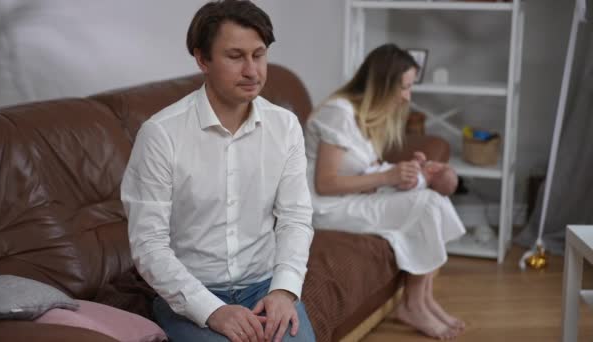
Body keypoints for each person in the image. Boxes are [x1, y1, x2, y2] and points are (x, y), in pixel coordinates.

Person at [121, 1, 315, 341]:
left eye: (259, 54)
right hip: (191, 293)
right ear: (202, 59)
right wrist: (211, 310)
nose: (252, 71)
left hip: (263, 286)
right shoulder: (161, 134)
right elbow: (149, 244)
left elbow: (295, 219)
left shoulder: (285, 127)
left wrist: (284, 291)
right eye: (235, 56)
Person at [303, 43, 466, 340]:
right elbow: (325, 184)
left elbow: (366, 169)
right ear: (382, 83)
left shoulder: (364, 116)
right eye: (404, 87)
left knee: (428, 197)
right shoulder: (338, 113)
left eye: (410, 87)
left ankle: (424, 299)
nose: (407, 96)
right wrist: (388, 175)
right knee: (426, 204)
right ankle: (414, 303)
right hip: (325, 208)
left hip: (350, 198)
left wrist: (407, 172)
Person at [364, 152, 458, 196]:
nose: (433, 161)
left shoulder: (418, 181)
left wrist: (415, 163)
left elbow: (405, 182)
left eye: (438, 162)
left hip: (371, 184)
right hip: (376, 172)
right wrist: (417, 161)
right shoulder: (419, 177)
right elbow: (405, 171)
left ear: (434, 169)